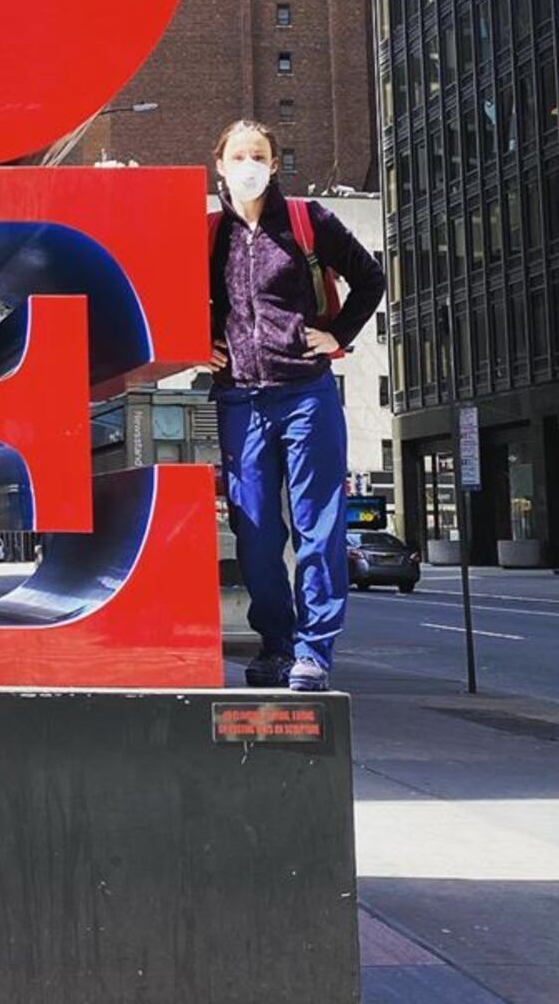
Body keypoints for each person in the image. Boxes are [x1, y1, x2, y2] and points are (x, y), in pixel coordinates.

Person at [207, 120, 386, 691]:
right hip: (241, 399)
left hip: (306, 394)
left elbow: (370, 278)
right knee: (255, 531)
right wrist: (199, 340)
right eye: (238, 156)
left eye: (258, 155)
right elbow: (183, 297)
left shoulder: (311, 222)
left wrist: (337, 335)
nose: (248, 165)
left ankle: (314, 651)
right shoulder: (211, 233)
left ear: (275, 164)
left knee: (319, 527)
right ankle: (276, 645)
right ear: (220, 166)